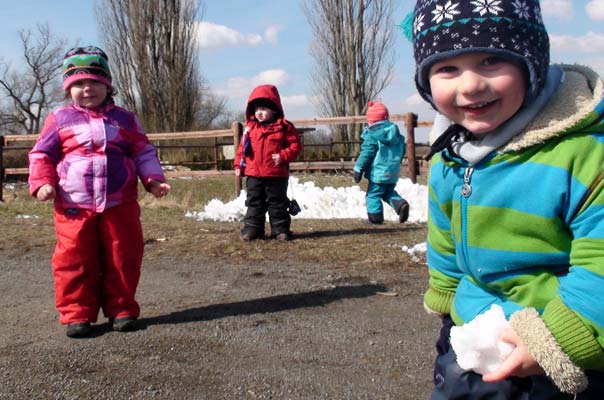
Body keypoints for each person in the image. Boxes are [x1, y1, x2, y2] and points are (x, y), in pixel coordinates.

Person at [404, 0, 604, 398]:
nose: (470, 85)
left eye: (493, 60)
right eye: (447, 68)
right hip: (471, 334)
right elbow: (445, 233)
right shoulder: (452, 153)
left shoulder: (581, 155)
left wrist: (558, 339)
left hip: (553, 345)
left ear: (531, 64)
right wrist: (445, 295)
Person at [28, 46, 170, 338]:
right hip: (73, 205)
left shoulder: (125, 119)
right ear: (68, 89)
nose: (86, 88)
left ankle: (122, 309)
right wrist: (42, 183)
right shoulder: (59, 118)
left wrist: (153, 180)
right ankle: (77, 313)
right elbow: (41, 154)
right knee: (74, 259)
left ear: (107, 85)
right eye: (78, 83)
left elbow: (143, 151)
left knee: (123, 256)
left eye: (94, 82)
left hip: (121, 203)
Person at [234, 84, 301, 241]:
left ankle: (280, 230)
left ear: (274, 109)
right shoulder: (250, 128)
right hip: (254, 174)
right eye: (257, 109)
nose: (259, 112)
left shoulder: (285, 127)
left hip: (276, 174)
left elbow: (295, 146)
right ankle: (252, 230)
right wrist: (238, 165)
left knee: (277, 203)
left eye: (263, 109)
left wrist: (283, 155)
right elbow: (242, 149)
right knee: (254, 203)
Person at [353, 101, 409, 224]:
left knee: (373, 196)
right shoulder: (396, 135)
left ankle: (375, 219)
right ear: (386, 117)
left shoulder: (372, 135)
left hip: (378, 173)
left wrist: (358, 168)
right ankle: (400, 204)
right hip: (393, 172)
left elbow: (366, 153)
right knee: (388, 192)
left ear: (370, 121)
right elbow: (402, 150)